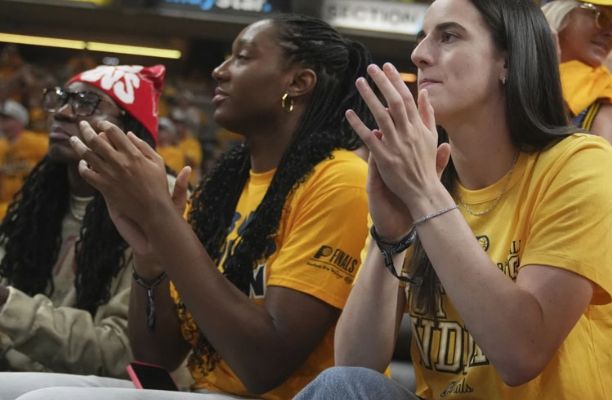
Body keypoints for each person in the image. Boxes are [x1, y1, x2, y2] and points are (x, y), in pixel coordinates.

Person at [6, 14, 372, 400]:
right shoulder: (224, 186)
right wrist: (149, 259)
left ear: (298, 83)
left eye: (242, 57)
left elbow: (263, 366)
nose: (219, 71)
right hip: (205, 390)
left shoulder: (340, 180)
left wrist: (162, 220)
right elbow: (156, 357)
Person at [296, 0, 612, 398]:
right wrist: (390, 238)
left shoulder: (582, 162)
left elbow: (522, 354)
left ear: (508, 61)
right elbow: (355, 364)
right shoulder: (423, 177)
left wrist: (424, 195)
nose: (419, 54)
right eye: (422, 38)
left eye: (448, 36)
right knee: (340, 385)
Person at [0, 65, 167, 378]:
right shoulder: (39, 201)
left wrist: (8, 306)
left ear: (130, 130)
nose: (62, 113)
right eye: (62, 99)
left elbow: (121, 353)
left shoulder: (160, 209)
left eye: (87, 103)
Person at [542, 0, 612, 157]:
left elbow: (596, 167)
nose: (611, 34)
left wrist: (549, 80)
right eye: (602, 17)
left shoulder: (611, 96)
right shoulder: (511, 63)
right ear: (562, 12)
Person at [0, 99, 48, 219]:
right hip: (5, 205)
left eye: (7, 120)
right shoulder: (1, 146)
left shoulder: (38, 142)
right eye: (1, 120)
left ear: (20, 121)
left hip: (32, 202)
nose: (3, 124)